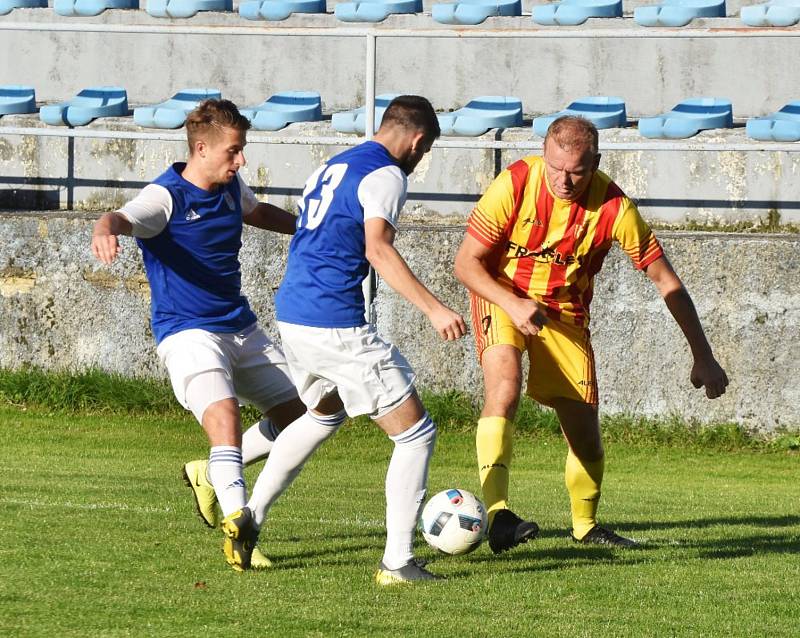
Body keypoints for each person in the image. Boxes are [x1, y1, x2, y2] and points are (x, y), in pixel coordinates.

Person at [453, 116, 729, 553]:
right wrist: (512, 303)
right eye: (555, 167)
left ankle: (586, 525)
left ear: (596, 162)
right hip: (502, 294)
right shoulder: (516, 183)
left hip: (564, 315)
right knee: (504, 385)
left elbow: (666, 282)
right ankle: (499, 515)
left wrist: (703, 355)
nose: (563, 180)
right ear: (544, 155)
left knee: (584, 433)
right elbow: (466, 264)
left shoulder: (615, 207)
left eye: (576, 171)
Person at [223, 95, 467, 584]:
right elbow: (378, 248)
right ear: (417, 141)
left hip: (294, 312)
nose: (419, 162)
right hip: (333, 322)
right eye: (424, 152)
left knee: (324, 414)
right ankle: (397, 562)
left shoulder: (334, 164)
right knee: (416, 434)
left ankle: (249, 515)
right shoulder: (387, 175)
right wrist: (435, 308)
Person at [90, 99, 307, 570]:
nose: (241, 160)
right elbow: (122, 218)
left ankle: (210, 475)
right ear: (202, 148)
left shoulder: (230, 188)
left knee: (305, 412)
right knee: (224, 416)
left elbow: (258, 212)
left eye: (242, 150)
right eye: (234, 151)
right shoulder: (165, 197)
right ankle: (238, 527)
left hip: (239, 326)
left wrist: (311, 229)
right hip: (188, 334)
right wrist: (104, 228)